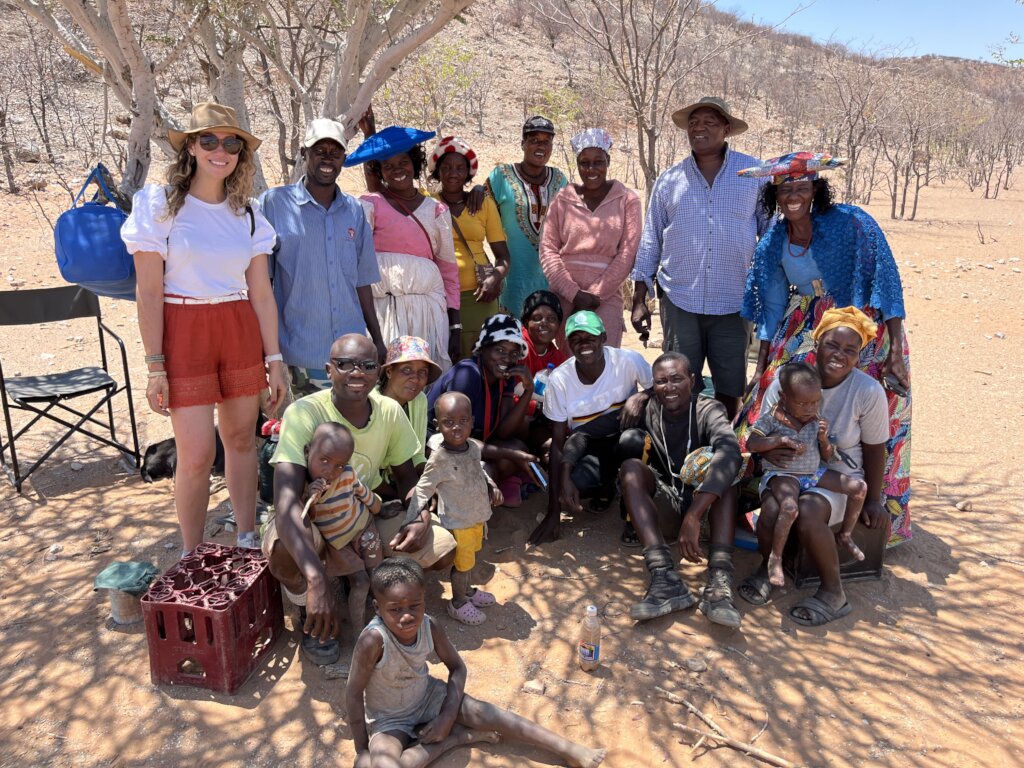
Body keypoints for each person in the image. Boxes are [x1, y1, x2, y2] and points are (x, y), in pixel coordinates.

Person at [121, 101, 286, 554]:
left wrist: (275, 359)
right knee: (195, 454)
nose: (221, 150)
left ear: (240, 153)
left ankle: (248, 537)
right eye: (208, 140)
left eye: (231, 142)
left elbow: (262, 294)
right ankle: (191, 551)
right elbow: (149, 293)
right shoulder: (159, 206)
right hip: (184, 328)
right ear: (190, 147)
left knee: (239, 440)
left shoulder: (248, 214)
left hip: (237, 327)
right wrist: (155, 364)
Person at [738, 151, 912, 545]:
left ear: (816, 188)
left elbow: (887, 285)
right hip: (803, 326)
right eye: (786, 188)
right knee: (782, 401)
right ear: (775, 194)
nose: (794, 195)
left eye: (802, 186)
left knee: (871, 414)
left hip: (860, 330)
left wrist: (895, 351)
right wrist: (760, 367)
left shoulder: (852, 223)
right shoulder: (773, 241)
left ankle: (872, 510)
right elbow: (771, 306)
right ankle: (782, 501)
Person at [267, 333, 456, 664]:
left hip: (358, 516)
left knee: (439, 547)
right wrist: (314, 581)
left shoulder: (389, 412)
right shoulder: (304, 413)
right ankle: (309, 612)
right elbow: (286, 502)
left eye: (367, 365)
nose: (357, 373)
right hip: (311, 516)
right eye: (345, 365)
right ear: (329, 369)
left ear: (379, 371)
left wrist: (421, 513)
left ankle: (359, 586)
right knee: (285, 549)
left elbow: (410, 479)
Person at [346, 558, 607, 768]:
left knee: (490, 714)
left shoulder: (429, 625)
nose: (407, 616)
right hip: (390, 719)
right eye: (395, 609)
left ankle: (569, 749)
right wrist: (361, 750)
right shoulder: (373, 640)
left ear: (424, 599)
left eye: (415, 605)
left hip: (428, 699)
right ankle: (458, 739)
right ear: (378, 608)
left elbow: (457, 668)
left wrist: (448, 715)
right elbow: (354, 693)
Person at [738, 308, 891, 626]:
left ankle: (834, 593)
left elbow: (876, 451)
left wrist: (874, 499)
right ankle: (767, 569)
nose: (840, 355)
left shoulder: (867, 392)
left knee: (807, 510)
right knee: (770, 510)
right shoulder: (788, 381)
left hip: (837, 474)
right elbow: (763, 435)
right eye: (833, 344)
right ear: (816, 342)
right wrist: (773, 454)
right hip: (789, 469)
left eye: (851, 350)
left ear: (859, 356)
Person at [629, 96, 767, 419]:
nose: (699, 128)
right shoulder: (669, 180)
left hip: (734, 302)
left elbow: (770, 233)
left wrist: (767, 294)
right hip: (680, 301)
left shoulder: (753, 176)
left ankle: (723, 454)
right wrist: (639, 298)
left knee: (729, 388)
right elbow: (650, 240)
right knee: (677, 385)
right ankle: (681, 454)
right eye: (693, 123)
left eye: (709, 122)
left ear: (726, 129)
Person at [617, 352, 744, 626]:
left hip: (707, 512)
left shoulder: (708, 409)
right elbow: (600, 429)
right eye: (661, 381)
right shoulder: (648, 408)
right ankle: (665, 578)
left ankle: (719, 583)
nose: (669, 387)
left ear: (693, 380)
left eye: (677, 379)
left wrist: (695, 515)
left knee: (726, 470)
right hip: (671, 503)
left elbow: (731, 451)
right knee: (630, 468)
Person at [259, 118, 385, 395]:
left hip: (351, 357)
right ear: (304, 154)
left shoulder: (355, 211)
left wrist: (377, 339)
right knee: (305, 437)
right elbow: (261, 284)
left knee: (351, 436)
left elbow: (362, 282)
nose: (328, 158)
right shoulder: (273, 204)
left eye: (335, 152)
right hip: (298, 354)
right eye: (319, 150)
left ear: (343, 158)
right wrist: (266, 352)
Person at [345, 121, 461, 369]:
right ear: (380, 171)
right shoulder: (370, 205)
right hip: (384, 312)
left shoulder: (437, 211)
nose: (397, 170)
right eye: (388, 166)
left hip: (428, 312)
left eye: (403, 163)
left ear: (415, 164)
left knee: (424, 378)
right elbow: (358, 264)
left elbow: (449, 271)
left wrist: (455, 325)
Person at [746, 362, 867, 587]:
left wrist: (823, 440)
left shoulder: (815, 419)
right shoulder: (772, 418)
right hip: (784, 474)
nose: (810, 408)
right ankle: (775, 558)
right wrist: (779, 440)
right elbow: (751, 442)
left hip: (812, 473)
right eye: (802, 403)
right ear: (783, 397)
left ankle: (846, 535)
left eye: (815, 402)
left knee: (858, 488)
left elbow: (828, 457)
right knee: (789, 508)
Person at [534, 311, 651, 545]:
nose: (584, 345)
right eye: (576, 339)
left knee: (633, 441)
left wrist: (640, 397)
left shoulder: (627, 360)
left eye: (590, 338)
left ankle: (633, 515)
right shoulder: (559, 380)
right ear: (568, 344)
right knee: (576, 484)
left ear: (604, 338)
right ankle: (607, 488)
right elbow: (558, 444)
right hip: (590, 444)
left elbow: (660, 389)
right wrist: (553, 511)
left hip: (626, 435)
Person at [539, 128, 641, 346]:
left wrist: (593, 296)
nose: (591, 169)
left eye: (598, 162)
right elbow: (548, 249)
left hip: (605, 298)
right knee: (568, 364)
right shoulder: (563, 200)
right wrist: (574, 294)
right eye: (584, 163)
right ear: (577, 164)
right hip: (565, 297)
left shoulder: (627, 200)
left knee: (605, 361)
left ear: (608, 161)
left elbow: (628, 253)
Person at [410, 392, 502, 626]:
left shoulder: (472, 448)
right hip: (458, 522)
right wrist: (410, 519)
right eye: (448, 423)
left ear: (472, 421)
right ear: (437, 425)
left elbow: (478, 471)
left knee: (470, 559)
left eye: (463, 421)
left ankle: (468, 591)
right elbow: (423, 489)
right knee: (462, 565)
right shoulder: (439, 458)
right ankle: (458, 602)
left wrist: (491, 485)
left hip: (476, 517)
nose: (457, 428)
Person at [427, 314, 539, 507]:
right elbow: (455, 439)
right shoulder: (468, 374)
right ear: (483, 349)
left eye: (513, 353)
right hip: (440, 448)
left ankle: (488, 488)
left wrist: (528, 390)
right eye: (500, 350)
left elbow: (504, 432)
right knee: (495, 465)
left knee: (517, 450)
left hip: (472, 443)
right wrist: (510, 455)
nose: (507, 358)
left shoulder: (505, 375)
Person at [296, 422, 391, 645]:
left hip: (364, 528)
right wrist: (311, 498)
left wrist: (380, 508)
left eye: (339, 465)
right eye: (324, 461)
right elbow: (304, 520)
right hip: (338, 544)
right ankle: (360, 634)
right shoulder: (304, 485)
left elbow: (363, 494)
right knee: (361, 582)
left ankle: (386, 620)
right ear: (308, 451)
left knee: (377, 575)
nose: (331, 471)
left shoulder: (347, 474)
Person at [428, 136, 511, 359]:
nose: (453, 173)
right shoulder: (427, 204)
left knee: (484, 359)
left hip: (480, 297)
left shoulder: (484, 204)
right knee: (448, 359)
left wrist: (495, 278)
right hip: (441, 298)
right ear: (437, 171)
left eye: (459, 167)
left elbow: (503, 257)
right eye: (446, 167)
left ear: (468, 172)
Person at [484, 116, 568, 317]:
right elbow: (480, 221)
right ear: (523, 144)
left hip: (549, 281)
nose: (541, 146)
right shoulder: (501, 176)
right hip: (510, 281)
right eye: (534, 140)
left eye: (546, 141)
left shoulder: (559, 179)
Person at [378, 336, 443, 474]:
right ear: (389, 371)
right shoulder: (371, 402)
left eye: (423, 372)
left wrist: (434, 478)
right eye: (407, 370)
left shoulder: (419, 400)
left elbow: (417, 455)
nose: (415, 378)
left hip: (404, 478)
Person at [520, 289, 568, 376]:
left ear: (558, 324)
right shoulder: (516, 347)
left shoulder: (560, 360)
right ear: (526, 323)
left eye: (551, 319)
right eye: (537, 318)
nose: (544, 323)